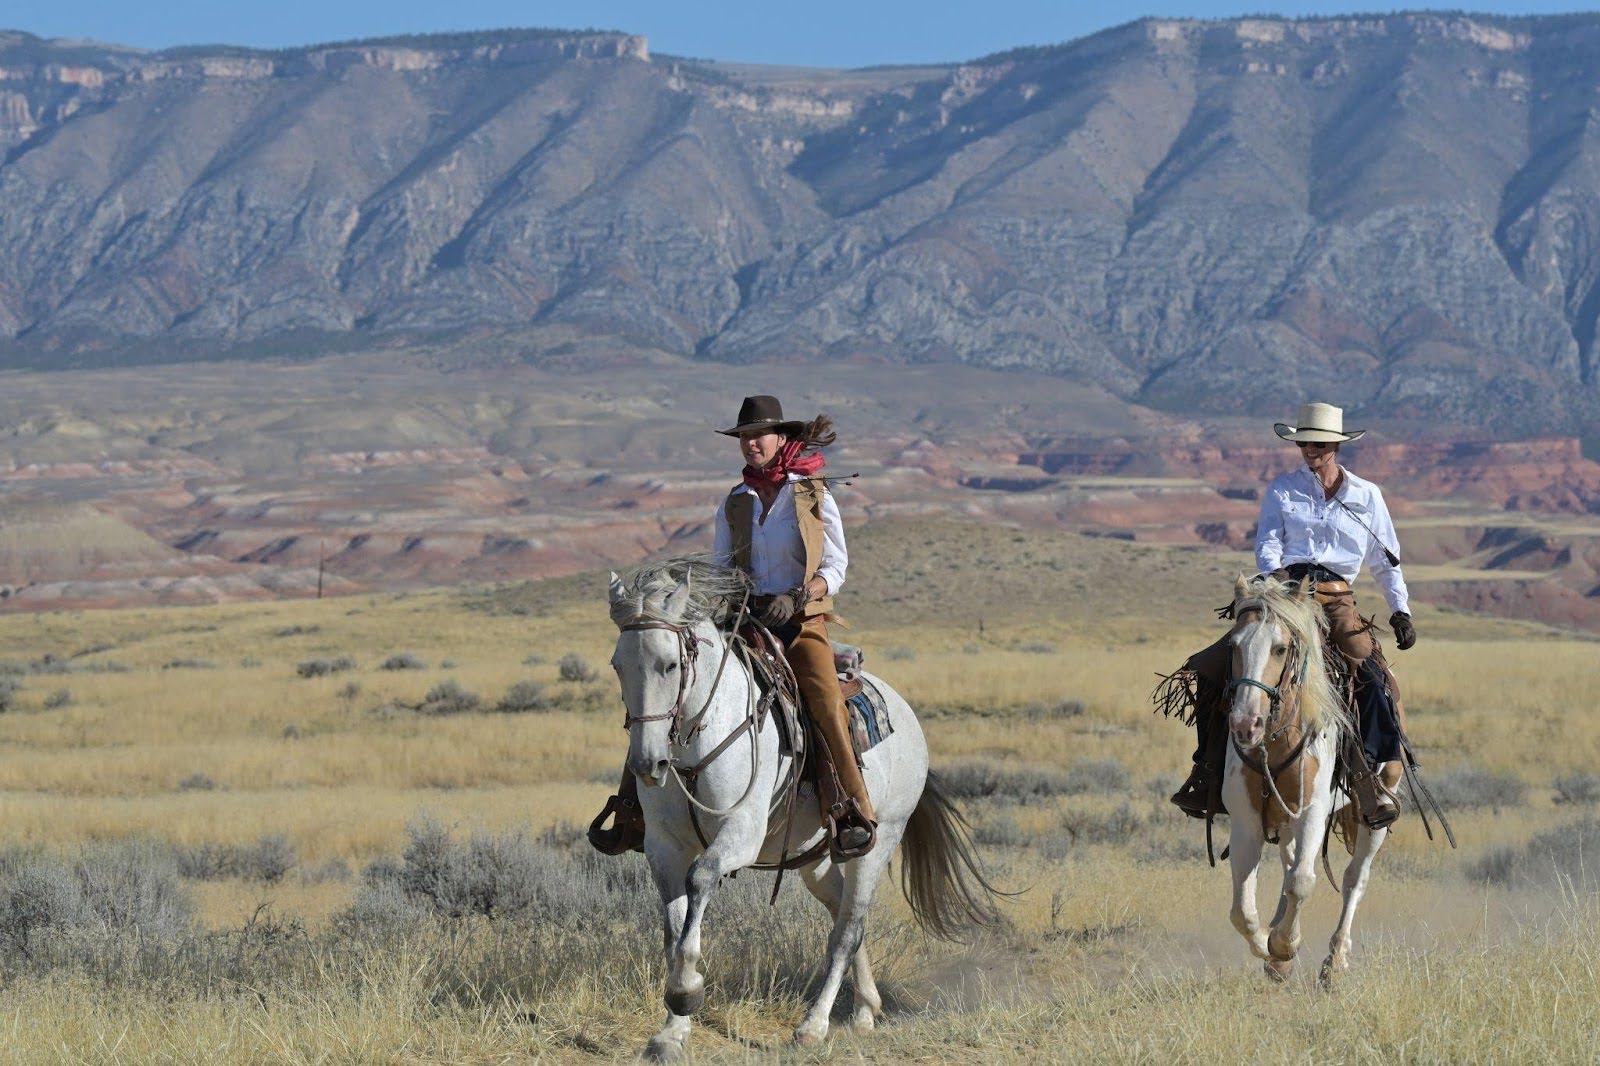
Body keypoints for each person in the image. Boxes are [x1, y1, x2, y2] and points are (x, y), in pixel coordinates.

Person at [589, 395, 876, 858]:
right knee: (667, 690)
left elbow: (836, 567)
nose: (750, 444)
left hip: (799, 621)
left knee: (825, 700)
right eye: (743, 437)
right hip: (743, 618)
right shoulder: (735, 501)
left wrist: (797, 597)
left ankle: (850, 810)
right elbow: (723, 568)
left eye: (758, 435)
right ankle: (631, 812)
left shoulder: (814, 495)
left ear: (781, 438)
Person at [1169, 402, 1417, 828]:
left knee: (1372, 675)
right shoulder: (1282, 489)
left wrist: (1401, 611)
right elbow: (1268, 541)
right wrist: (1274, 574)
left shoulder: (1367, 496)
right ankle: (1206, 772)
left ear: (1336, 446)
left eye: (1318, 444)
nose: (1309, 450)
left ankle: (1372, 780)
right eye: (1304, 444)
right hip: (1286, 593)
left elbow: (1385, 559)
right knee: (1212, 667)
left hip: (1337, 599)